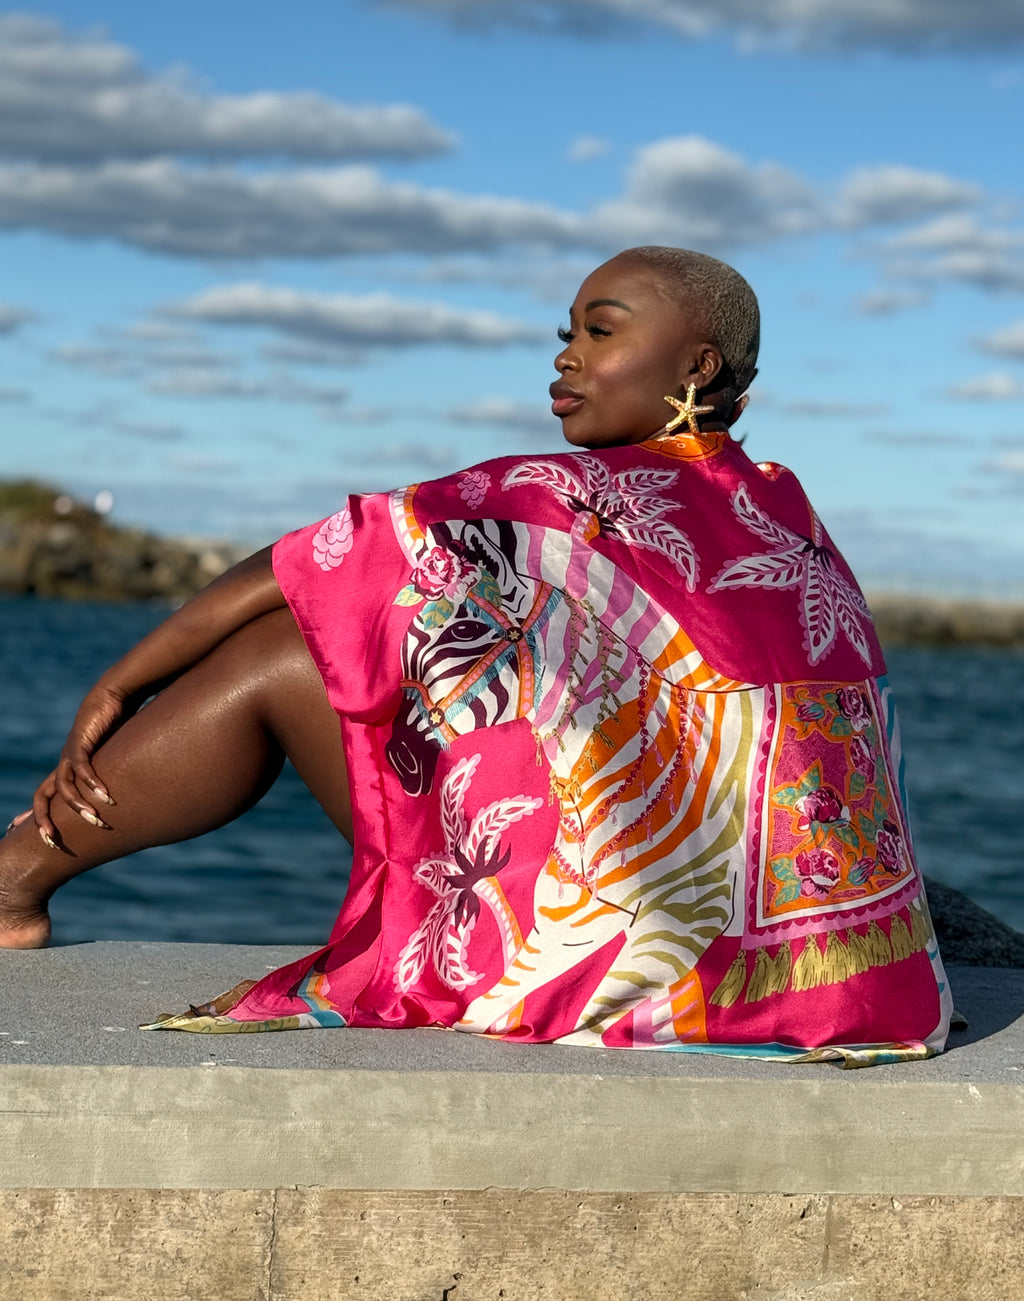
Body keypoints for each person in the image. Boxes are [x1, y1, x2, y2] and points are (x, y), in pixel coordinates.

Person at [0, 247, 952, 1064]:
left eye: (601, 331)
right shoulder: (777, 502)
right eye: (566, 332)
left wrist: (120, 680)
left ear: (697, 363)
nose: (566, 355)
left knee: (281, 655)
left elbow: (322, 551)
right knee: (393, 635)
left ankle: (12, 881)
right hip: (864, 974)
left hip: (658, 970)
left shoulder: (560, 490)